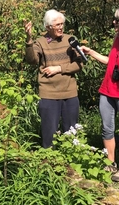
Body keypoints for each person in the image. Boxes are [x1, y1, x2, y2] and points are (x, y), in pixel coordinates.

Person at [80, 6, 119, 182]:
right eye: (114, 19)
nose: (114, 22)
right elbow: (110, 62)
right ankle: (110, 162)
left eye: (117, 20)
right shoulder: (117, 39)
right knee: (107, 128)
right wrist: (91, 52)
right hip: (107, 91)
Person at [23, 9, 85, 148]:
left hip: (70, 93)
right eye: (57, 25)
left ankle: (71, 164)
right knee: (49, 134)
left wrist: (59, 68)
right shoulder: (40, 42)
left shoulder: (70, 40)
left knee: (71, 133)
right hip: (49, 94)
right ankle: (49, 164)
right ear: (48, 27)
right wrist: (29, 39)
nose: (61, 27)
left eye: (62, 24)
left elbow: (79, 64)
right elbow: (32, 60)